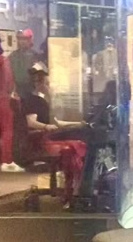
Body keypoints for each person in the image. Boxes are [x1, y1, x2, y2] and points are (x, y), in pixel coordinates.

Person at [22, 63, 88, 207]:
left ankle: (75, 188)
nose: (49, 87)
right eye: (47, 84)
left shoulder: (44, 101)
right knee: (71, 149)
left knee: (79, 144)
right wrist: (46, 127)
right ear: (38, 84)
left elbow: (56, 122)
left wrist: (77, 123)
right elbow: (30, 122)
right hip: (40, 139)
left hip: (48, 136)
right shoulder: (33, 100)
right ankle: (70, 191)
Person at [0, 36, 24, 172]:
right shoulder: (3, 60)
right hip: (1, 97)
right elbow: (9, 82)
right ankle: (6, 161)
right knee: (7, 129)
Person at [9, 29, 38, 100]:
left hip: (32, 92)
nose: (22, 41)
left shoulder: (36, 56)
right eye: (20, 39)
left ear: (30, 40)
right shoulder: (13, 56)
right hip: (17, 93)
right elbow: (9, 75)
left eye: (25, 39)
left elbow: (40, 79)